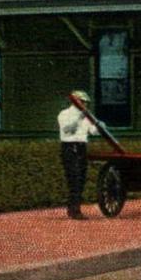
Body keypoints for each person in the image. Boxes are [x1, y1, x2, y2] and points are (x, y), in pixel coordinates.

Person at [57, 91, 99, 219]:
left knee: (81, 178)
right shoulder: (64, 114)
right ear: (75, 101)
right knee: (73, 178)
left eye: (86, 102)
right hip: (69, 147)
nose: (85, 104)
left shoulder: (86, 116)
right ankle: (74, 210)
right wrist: (79, 118)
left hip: (81, 147)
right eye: (83, 101)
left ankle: (75, 208)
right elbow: (67, 130)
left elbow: (93, 131)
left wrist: (98, 125)